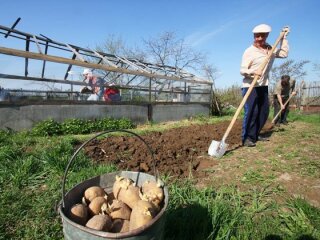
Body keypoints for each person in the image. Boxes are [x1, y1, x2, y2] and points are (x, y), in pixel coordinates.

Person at [240, 24, 290, 147]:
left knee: (264, 112)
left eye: (262, 36)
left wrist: (283, 38)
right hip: (250, 85)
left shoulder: (270, 49)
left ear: (267, 36)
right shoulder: (249, 51)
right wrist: (252, 72)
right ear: (254, 36)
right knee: (252, 112)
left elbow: (284, 53)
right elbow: (242, 69)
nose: (259, 38)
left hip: (263, 85)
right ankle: (247, 138)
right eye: (257, 36)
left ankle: (255, 134)